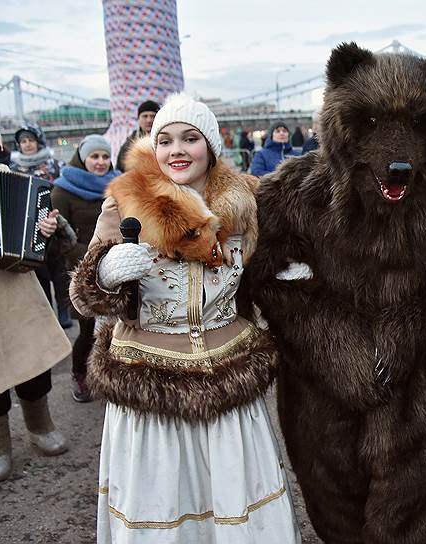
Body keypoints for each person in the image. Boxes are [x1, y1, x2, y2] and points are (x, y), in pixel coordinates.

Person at [69, 94, 299, 542]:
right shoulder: (123, 203)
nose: (177, 150)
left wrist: (291, 273)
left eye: (190, 139)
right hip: (147, 379)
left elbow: (258, 278)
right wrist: (106, 273)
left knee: (233, 502)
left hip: (227, 378)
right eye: (166, 140)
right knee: (161, 503)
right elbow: (83, 300)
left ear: (210, 147)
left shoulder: (247, 206)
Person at [0, 112, 71, 484]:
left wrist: (44, 230)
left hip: (10, 290)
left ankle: (40, 425)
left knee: (31, 363)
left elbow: (39, 235)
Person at [52, 135, 120, 402]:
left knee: (116, 329)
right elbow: (60, 241)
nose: (101, 162)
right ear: (82, 159)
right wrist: (93, 258)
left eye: (105, 156)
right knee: (87, 330)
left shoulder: (119, 184)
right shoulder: (63, 190)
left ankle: (111, 376)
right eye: (95, 157)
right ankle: (79, 374)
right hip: (80, 270)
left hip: (116, 267)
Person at [9, 123, 71, 327]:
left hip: (55, 221)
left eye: (31, 140)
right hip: (29, 228)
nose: (27, 145)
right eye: (23, 141)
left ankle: (64, 310)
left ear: (39, 141)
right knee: (38, 272)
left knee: (60, 270)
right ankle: (47, 316)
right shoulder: (14, 168)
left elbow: (63, 190)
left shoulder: (54, 164)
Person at [116, 99, 160, 172]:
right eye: (145, 116)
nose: (149, 120)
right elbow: (120, 169)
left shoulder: (165, 141)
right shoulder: (130, 143)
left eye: (153, 116)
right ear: (138, 119)